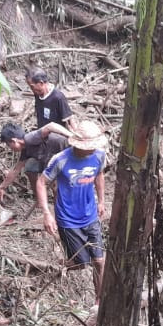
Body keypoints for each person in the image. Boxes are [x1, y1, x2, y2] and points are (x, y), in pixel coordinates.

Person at [36, 120, 107, 301]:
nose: (92, 149)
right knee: (82, 263)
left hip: (90, 215)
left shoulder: (99, 156)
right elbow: (42, 182)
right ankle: (58, 266)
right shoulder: (61, 160)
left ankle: (99, 301)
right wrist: (46, 213)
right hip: (68, 218)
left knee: (99, 261)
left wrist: (101, 201)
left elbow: (99, 175)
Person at [0, 121, 71, 203]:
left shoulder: (30, 138)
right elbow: (15, 171)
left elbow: (51, 125)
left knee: (57, 187)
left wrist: (71, 136)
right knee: (31, 168)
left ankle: (59, 209)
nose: (10, 148)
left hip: (67, 154)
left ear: (14, 141)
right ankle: (44, 202)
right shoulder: (25, 150)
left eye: (8, 145)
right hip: (52, 159)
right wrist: (1, 188)